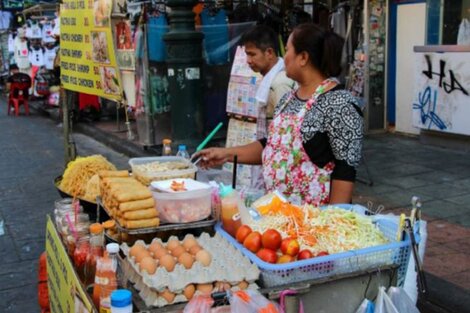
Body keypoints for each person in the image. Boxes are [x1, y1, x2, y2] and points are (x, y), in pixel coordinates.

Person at [195, 24, 364, 206]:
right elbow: (272, 146)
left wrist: (332, 223)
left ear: (303, 58)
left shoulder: (340, 103)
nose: (284, 58)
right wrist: (226, 154)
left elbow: (345, 171)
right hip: (279, 216)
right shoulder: (287, 99)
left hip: (314, 223)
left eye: (289, 50)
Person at [241, 25, 295, 131]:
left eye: (252, 54)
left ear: (269, 53)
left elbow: (286, 130)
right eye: (247, 55)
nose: (248, 60)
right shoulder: (272, 79)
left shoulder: (280, 84)